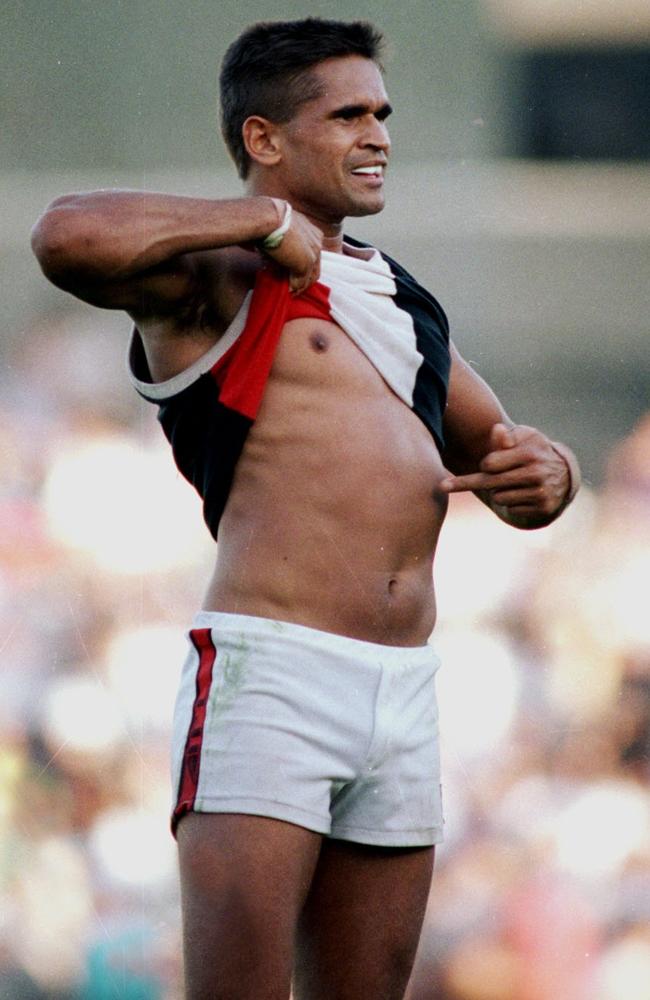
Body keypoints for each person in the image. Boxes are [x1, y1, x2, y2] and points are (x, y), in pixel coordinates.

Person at [31, 18, 580, 1000]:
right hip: (271, 671)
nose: (376, 134)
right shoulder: (219, 278)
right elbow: (64, 234)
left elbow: (512, 455)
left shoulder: (394, 298)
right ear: (263, 139)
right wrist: (257, 224)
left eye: (381, 114)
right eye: (346, 115)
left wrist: (554, 476)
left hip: (404, 686)